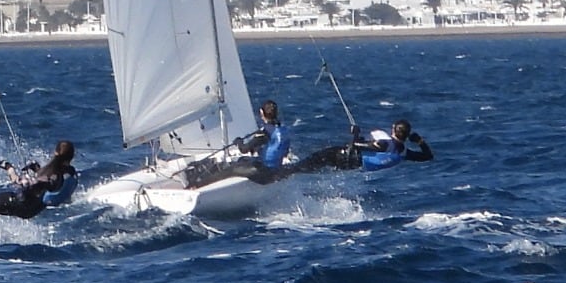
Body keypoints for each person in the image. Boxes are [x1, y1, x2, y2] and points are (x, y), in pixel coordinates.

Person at [0, 140, 79, 228]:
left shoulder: (53, 175)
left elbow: (21, 182)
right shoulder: (69, 172)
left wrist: (9, 168)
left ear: (56, 153)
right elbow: (49, 183)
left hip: (20, 203)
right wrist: (36, 169)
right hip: (32, 210)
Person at [184, 99, 291, 187]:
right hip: (276, 170)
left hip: (264, 174)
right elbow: (279, 150)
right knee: (242, 160)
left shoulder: (264, 132)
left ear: (262, 113)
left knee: (231, 170)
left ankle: (196, 185)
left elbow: (244, 149)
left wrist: (239, 142)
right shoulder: (282, 130)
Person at [290, 117, 433, 174]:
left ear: (394, 129)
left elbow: (355, 146)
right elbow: (428, 156)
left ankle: (282, 172)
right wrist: (420, 141)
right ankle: (288, 172)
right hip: (353, 165)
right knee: (310, 167)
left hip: (345, 156)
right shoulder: (403, 153)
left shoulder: (385, 143)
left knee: (310, 162)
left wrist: (356, 134)